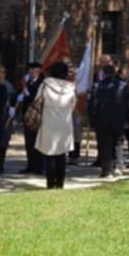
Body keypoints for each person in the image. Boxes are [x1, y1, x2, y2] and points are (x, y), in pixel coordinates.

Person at [35, 60, 78, 189]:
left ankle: (50, 184)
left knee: (50, 155)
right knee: (62, 155)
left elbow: (37, 101)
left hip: (49, 122)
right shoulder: (71, 88)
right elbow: (73, 105)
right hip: (64, 124)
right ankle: (60, 184)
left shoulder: (45, 85)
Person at [90, 58, 129, 177]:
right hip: (119, 119)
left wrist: (92, 120)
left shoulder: (98, 86)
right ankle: (118, 166)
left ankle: (107, 170)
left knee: (105, 144)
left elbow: (93, 105)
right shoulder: (123, 86)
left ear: (104, 73)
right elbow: (128, 104)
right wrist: (128, 118)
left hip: (103, 120)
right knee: (118, 144)